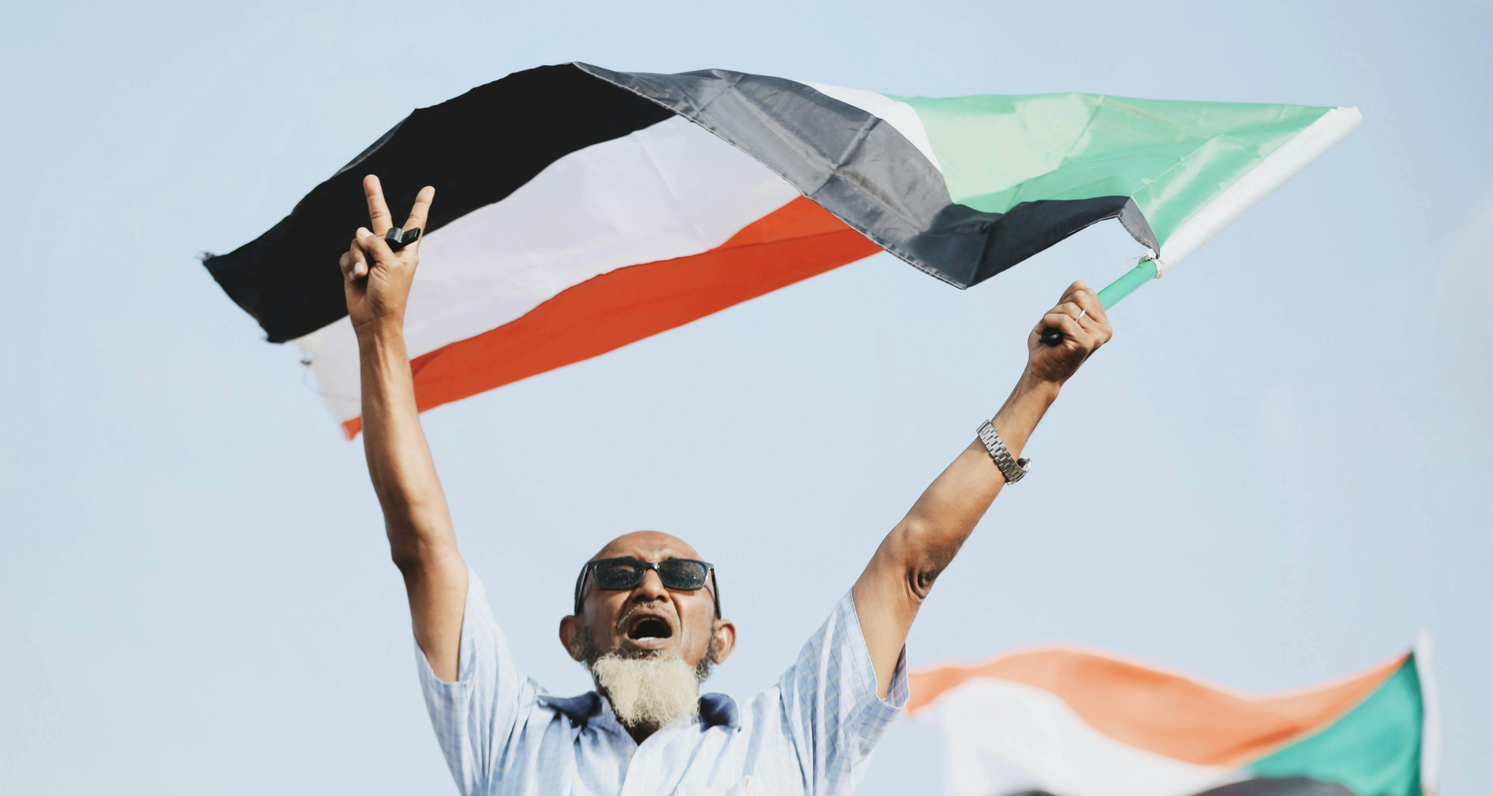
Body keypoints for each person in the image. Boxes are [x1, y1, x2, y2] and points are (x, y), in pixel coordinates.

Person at [339, 174, 1113, 796]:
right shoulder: (512, 739)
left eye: (683, 576)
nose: (652, 585)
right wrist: (382, 332)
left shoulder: (791, 740)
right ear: (574, 634)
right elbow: (423, 546)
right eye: (618, 575)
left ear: (721, 637)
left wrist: (1038, 387)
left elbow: (911, 559)